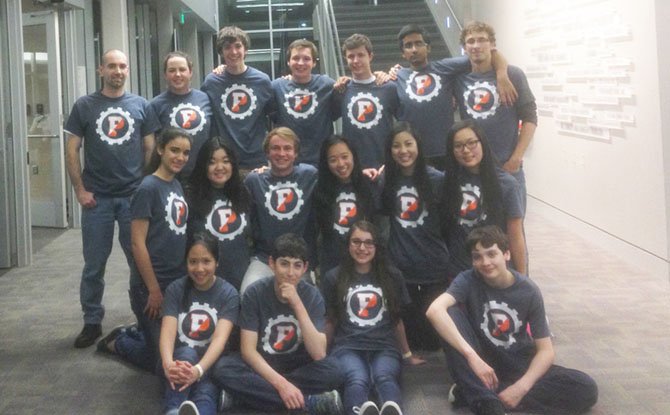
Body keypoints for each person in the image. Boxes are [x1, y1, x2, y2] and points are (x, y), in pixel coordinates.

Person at [426, 226, 598, 415]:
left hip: (519, 364)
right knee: (449, 313)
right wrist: (472, 357)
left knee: (586, 388)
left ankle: (476, 393)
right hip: (485, 364)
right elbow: (434, 310)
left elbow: (546, 352)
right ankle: (490, 406)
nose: (485, 262)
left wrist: (520, 388)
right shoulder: (467, 280)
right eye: (477, 257)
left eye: (492, 254)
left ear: (506, 254)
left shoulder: (528, 290)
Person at [64, 49, 160, 348]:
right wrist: (79, 190)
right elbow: (71, 150)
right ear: (100, 70)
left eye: (122, 66)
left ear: (127, 70)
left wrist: (143, 187)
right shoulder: (84, 106)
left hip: (132, 198)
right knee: (94, 264)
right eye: (111, 66)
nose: (117, 71)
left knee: (138, 261)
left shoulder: (141, 105)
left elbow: (149, 149)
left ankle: (144, 319)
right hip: (98, 200)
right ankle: (92, 321)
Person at [211, 233, 344, 414]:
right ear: (272, 264)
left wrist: (297, 303)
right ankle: (308, 403)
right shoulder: (254, 293)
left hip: (297, 365)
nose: (290, 273)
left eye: (297, 266)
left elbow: (319, 353)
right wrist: (282, 385)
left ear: (305, 268)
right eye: (284, 264)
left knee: (335, 370)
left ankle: (250, 397)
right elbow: (248, 351)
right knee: (224, 369)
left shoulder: (313, 296)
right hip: (263, 363)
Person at [96, 127, 191, 372]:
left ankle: (140, 332)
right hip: (150, 287)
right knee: (159, 362)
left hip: (175, 282)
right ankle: (120, 342)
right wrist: (153, 289)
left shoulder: (176, 185)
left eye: (185, 153)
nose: (180, 157)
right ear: (160, 149)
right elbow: (136, 243)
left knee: (178, 347)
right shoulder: (147, 188)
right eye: (174, 150)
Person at [394, 24, 516, 169]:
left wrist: (502, 74)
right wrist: (381, 75)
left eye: (419, 43)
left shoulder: (445, 67)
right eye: (408, 46)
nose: (414, 49)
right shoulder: (398, 76)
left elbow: (491, 53)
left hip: (447, 154)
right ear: (403, 53)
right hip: (412, 155)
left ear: (428, 48)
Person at [322, 221, 410, 415]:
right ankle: (359, 411)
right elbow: (330, 321)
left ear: (377, 246)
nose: (362, 248)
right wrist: (321, 355)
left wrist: (407, 354)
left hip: (384, 346)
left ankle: (392, 409)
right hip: (347, 347)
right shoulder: (333, 277)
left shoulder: (393, 276)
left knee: (384, 376)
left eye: (369, 242)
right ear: (348, 245)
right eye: (356, 241)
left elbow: (396, 319)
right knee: (357, 377)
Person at [380, 122, 449, 351]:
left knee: (433, 342)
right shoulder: (386, 180)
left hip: (433, 263)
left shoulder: (437, 179)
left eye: (408, 144)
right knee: (411, 335)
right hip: (401, 265)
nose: (403, 151)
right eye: (396, 146)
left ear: (418, 146)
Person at [456, 21, 537, 210]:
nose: (476, 46)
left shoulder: (513, 75)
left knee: (513, 229)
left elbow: (530, 117)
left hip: (507, 167)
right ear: (464, 47)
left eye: (482, 40)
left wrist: (516, 157)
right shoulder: (458, 79)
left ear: (492, 44)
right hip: (473, 169)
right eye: (471, 41)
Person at [160, 233, 239, 415]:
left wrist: (199, 370)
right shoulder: (175, 289)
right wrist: (168, 365)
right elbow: (168, 332)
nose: (200, 268)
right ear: (186, 262)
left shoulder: (229, 294)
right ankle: (172, 410)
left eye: (206, 261)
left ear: (217, 262)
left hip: (208, 363)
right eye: (193, 261)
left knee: (206, 392)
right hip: (177, 364)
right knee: (186, 353)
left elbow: (220, 339)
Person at [442, 119, 526, 276]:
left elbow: (516, 236)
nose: (466, 150)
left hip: (493, 271)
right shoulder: (448, 181)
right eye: (458, 146)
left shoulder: (506, 184)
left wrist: (522, 280)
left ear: (482, 143)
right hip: (458, 273)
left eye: (471, 143)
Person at [241, 127, 318, 293]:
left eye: (287, 148)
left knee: (307, 300)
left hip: (298, 260)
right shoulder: (254, 180)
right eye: (275, 148)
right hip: (264, 258)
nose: (281, 153)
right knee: (247, 292)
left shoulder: (310, 175)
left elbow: (337, 176)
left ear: (296, 153)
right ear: (267, 153)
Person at [201, 26, 274, 170]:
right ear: (221, 52)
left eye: (238, 46)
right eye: (227, 47)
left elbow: (273, 118)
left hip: (256, 160)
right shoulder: (212, 82)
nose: (233, 52)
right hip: (223, 160)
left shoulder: (262, 81)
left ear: (245, 49)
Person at [186, 136, 251, 291]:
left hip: (241, 280)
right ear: (203, 165)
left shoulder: (245, 192)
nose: (219, 167)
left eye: (226, 161)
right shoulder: (189, 197)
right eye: (212, 162)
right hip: (204, 282)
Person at [314, 135, 377, 274]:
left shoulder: (369, 184)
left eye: (345, 156)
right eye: (333, 160)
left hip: (365, 264)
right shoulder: (319, 190)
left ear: (353, 156)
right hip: (332, 265)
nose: (341, 164)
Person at [272, 39, 340, 166]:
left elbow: (353, 86)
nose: (300, 63)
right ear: (288, 61)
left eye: (306, 59)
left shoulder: (327, 85)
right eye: (295, 58)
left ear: (314, 63)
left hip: (322, 161)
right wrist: (223, 68)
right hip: (288, 162)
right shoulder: (276, 87)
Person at [338, 34, 399, 169]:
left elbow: (405, 120)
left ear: (370, 56)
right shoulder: (341, 90)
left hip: (386, 164)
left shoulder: (389, 88)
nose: (355, 60)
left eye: (361, 55)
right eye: (351, 56)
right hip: (353, 167)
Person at [150, 51, 212, 181]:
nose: (177, 74)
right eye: (172, 70)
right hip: (170, 177)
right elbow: (152, 146)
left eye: (182, 70)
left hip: (203, 176)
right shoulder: (155, 104)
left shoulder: (206, 98)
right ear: (165, 75)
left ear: (190, 73)